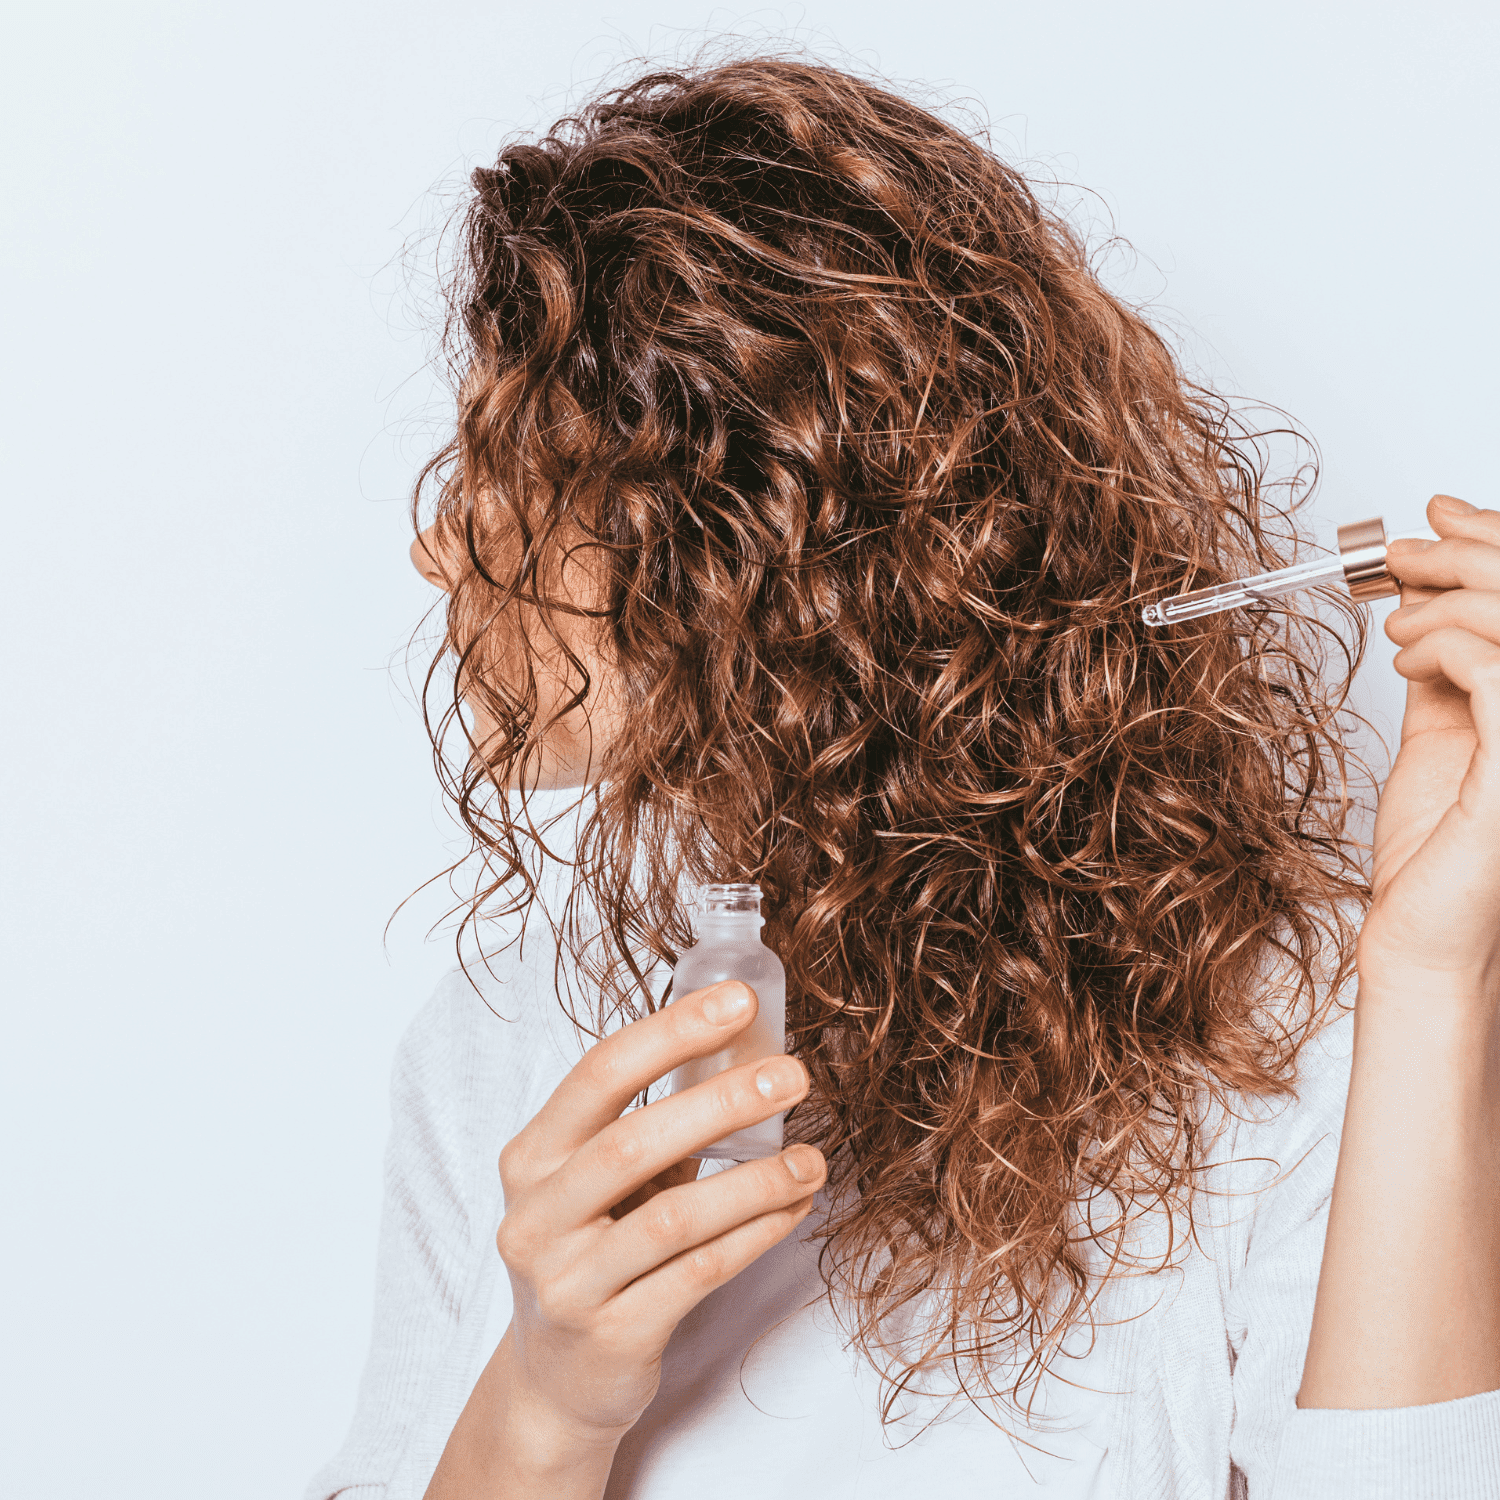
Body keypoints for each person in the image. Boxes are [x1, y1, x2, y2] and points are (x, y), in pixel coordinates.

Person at [305, 56, 1500, 1500]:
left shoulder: (1287, 1046)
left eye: (513, 467)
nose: (440, 546)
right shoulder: (511, 1033)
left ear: (747, 547)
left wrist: (1431, 985)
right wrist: (547, 1406)